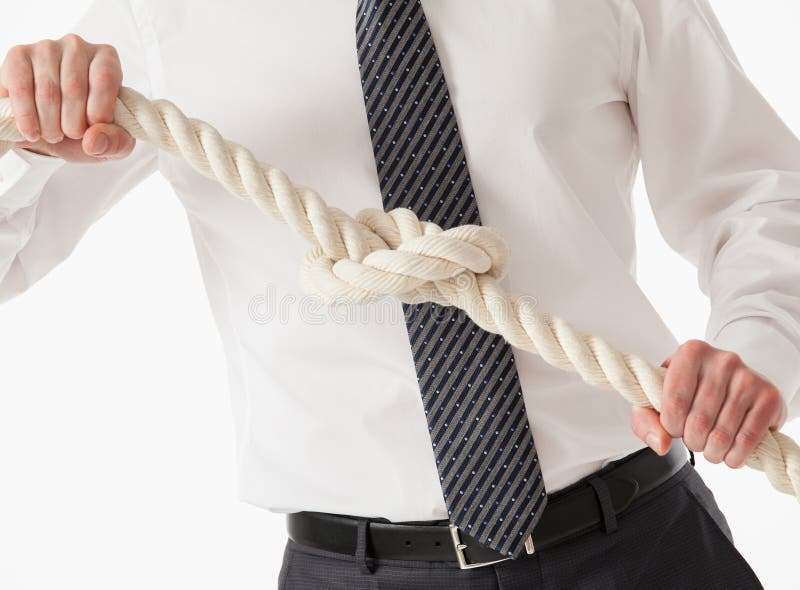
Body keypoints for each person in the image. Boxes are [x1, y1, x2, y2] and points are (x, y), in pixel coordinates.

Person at [1, 0, 798, 587]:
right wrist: (20, 132)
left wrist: (755, 346)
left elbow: (758, 193)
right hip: (354, 574)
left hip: (645, 549)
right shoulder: (150, 19)